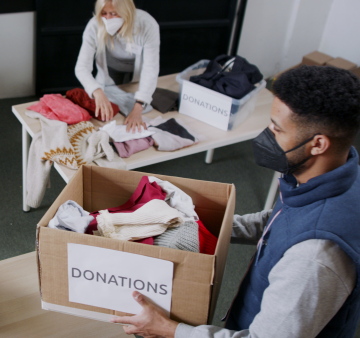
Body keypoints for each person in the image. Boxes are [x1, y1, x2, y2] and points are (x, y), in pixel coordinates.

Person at [111, 65, 360, 337]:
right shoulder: (335, 174)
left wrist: (168, 329)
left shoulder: (313, 258)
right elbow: (282, 221)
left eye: (276, 129)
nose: (265, 135)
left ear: (318, 144)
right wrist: (194, 222)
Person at [75, 0, 160, 132]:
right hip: (109, 74)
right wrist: (97, 92)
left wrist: (138, 108)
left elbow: (150, 69)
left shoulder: (147, 25)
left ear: (127, 12)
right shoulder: (94, 26)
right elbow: (81, 67)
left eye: (114, 14)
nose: (108, 18)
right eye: (104, 13)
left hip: (136, 77)